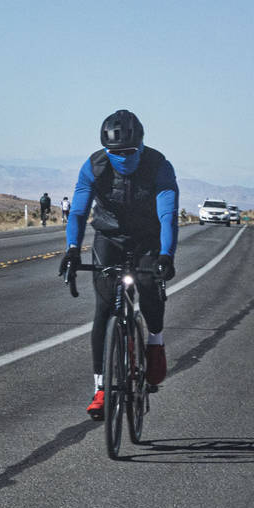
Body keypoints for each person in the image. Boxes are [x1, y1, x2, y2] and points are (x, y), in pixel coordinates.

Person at [58, 109, 178, 419]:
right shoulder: (94, 166)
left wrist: (166, 254)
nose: (123, 157)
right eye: (116, 153)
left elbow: (167, 215)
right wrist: (72, 249)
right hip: (109, 238)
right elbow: (79, 213)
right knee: (103, 309)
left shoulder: (158, 166)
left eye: (129, 151)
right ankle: (100, 388)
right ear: (106, 150)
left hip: (147, 238)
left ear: (140, 145)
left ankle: (155, 341)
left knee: (150, 287)